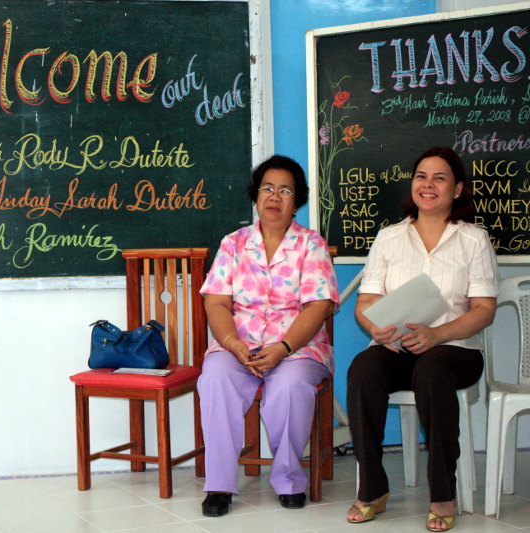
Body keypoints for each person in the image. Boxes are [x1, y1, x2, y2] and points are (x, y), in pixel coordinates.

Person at [346, 146, 498, 532]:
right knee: (363, 368)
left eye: (440, 178)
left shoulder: (473, 240)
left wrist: (438, 334)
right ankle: (372, 489)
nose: (428, 185)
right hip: (396, 346)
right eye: (421, 176)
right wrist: (374, 325)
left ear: (458, 189)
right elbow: (365, 302)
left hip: (455, 350)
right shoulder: (389, 238)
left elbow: (483, 310)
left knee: (432, 370)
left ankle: (443, 493)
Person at [197, 155, 339, 516]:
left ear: (298, 200)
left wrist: (283, 347)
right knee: (214, 376)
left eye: (285, 190)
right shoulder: (233, 244)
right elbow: (216, 304)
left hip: (298, 348)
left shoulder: (312, 245)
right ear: (256, 195)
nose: (275, 196)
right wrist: (232, 344)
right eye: (268, 188)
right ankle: (218, 486)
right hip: (237, 345)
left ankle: (290, 480)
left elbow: (318, 307)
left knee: (290, 386)